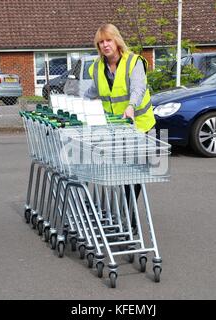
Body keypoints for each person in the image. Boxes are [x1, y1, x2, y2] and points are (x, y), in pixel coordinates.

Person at [84, 24, 156, 233]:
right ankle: (126, 214)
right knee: (123, 175)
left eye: (108, 40)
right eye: (101, 42)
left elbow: (138, 88)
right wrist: (73, 103)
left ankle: (129, 215)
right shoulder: (97, 67)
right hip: (115, 130)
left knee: (134, 175)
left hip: (140, 126)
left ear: (117, 41)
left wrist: (131, 106)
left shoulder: (133, 62)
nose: (105, 45)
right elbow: (93, 91)